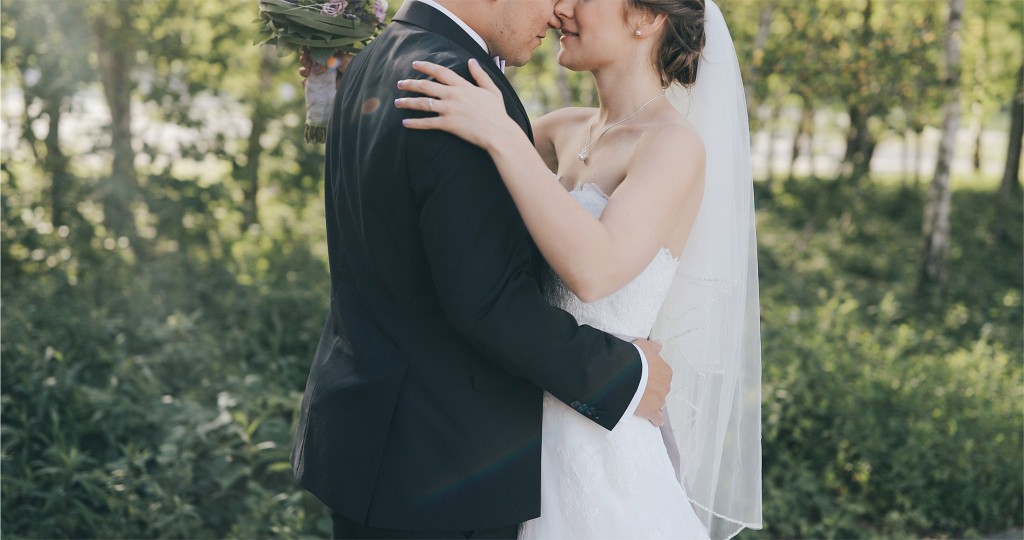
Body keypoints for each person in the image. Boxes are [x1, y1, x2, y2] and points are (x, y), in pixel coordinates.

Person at [289, 0, 676, 538]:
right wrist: (625, 375)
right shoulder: (453, 85)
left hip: (383, 447)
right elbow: (487, 304)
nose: (559, 9)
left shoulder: (384, 57)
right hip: (439, 467)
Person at [395, 0, 762, 538]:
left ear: (645, 18)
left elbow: (596, 271)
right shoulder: (556, 131)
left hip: (599, 436)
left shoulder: (673, 146)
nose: (560, 7)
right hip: (508, 427)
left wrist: (500, 135)